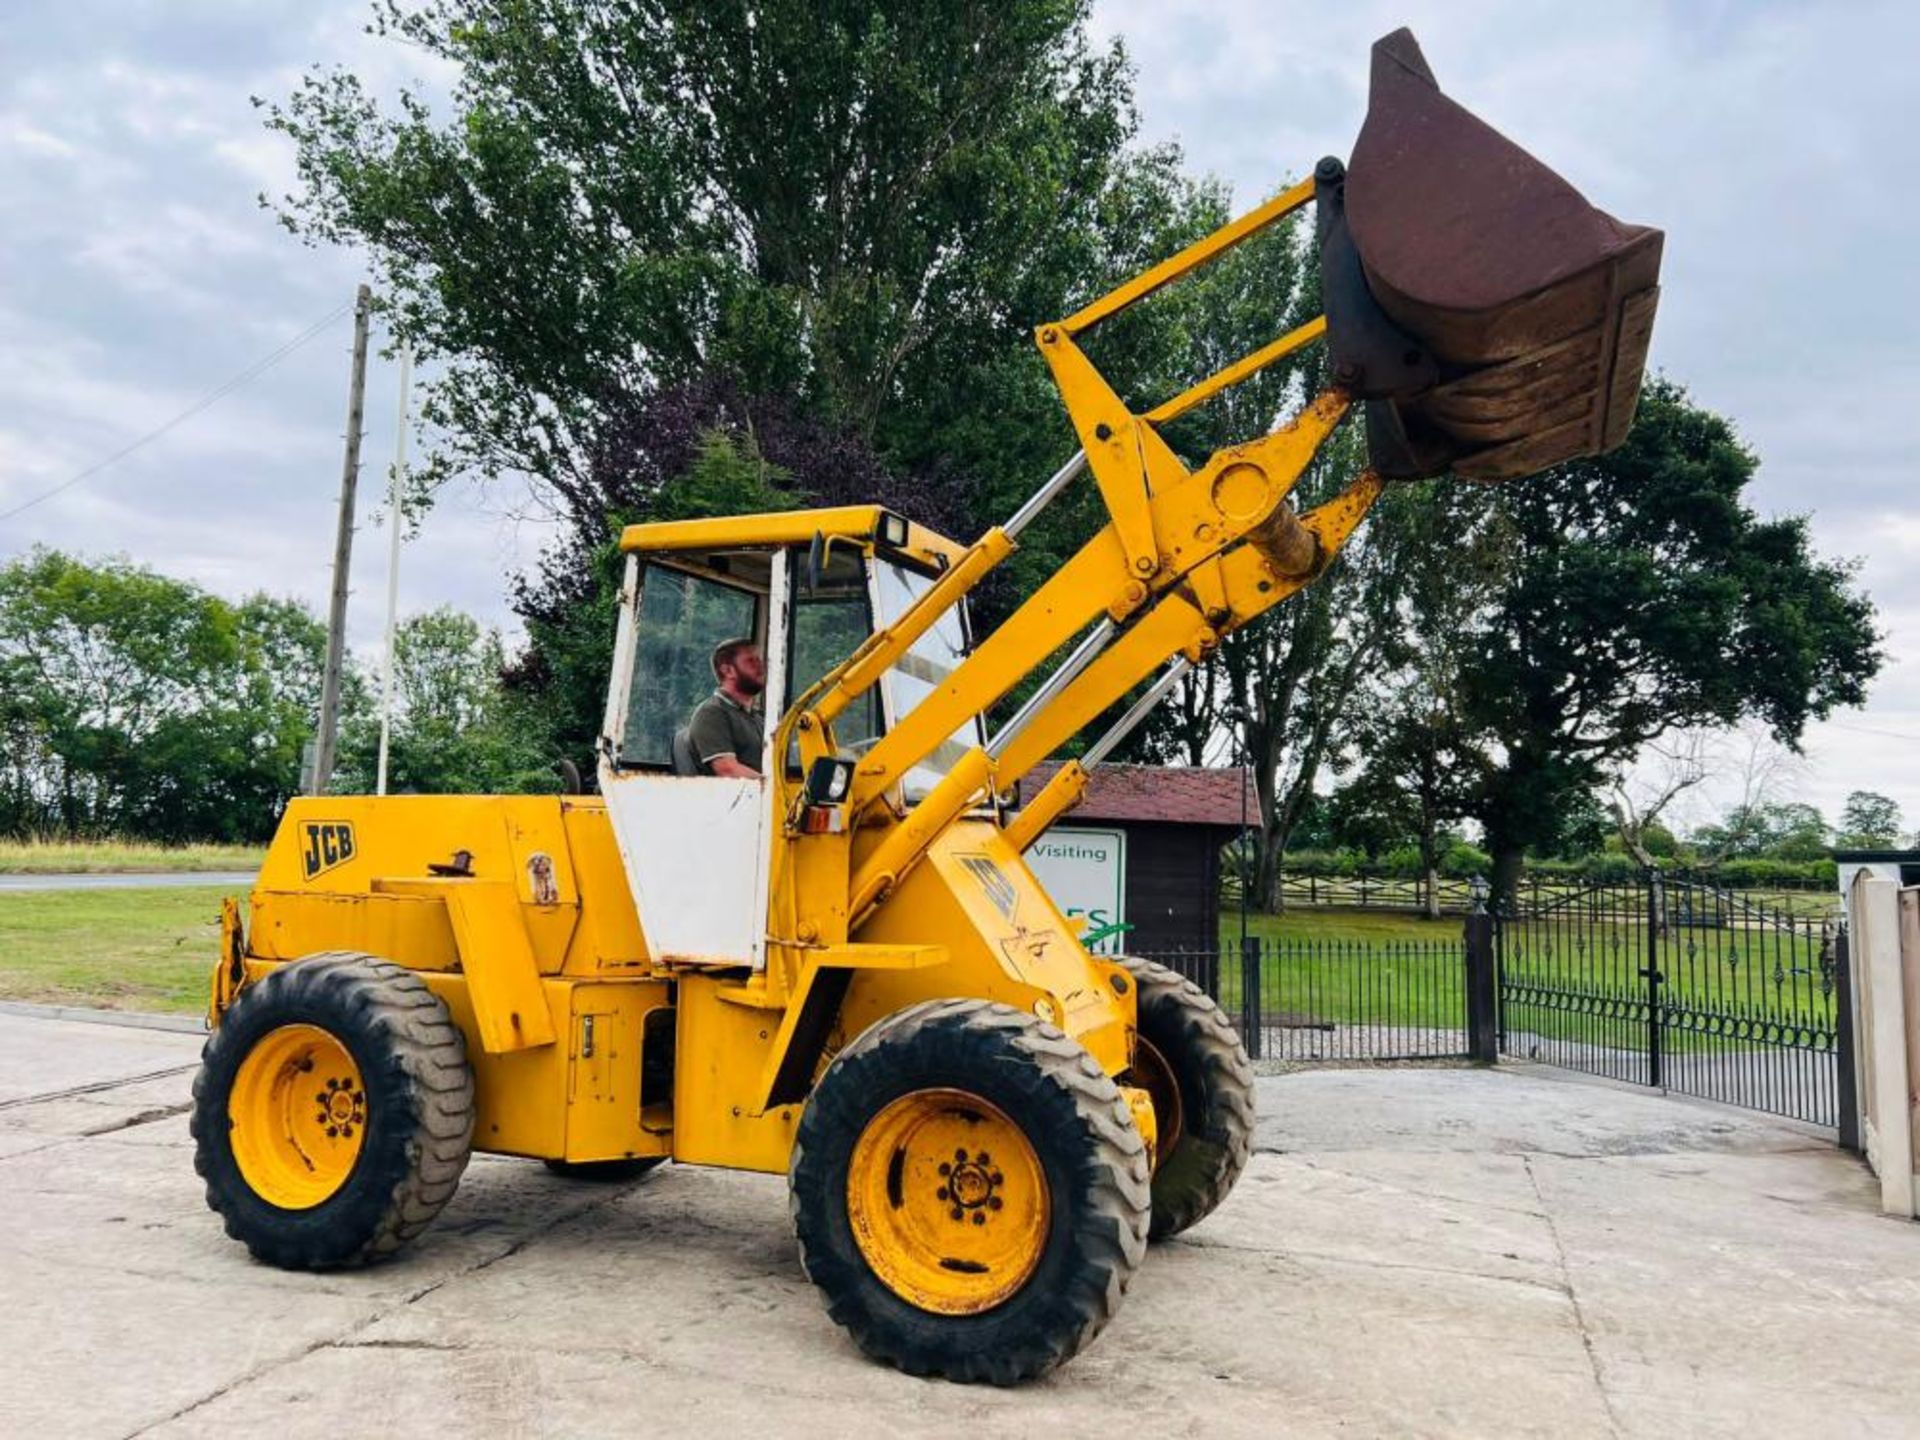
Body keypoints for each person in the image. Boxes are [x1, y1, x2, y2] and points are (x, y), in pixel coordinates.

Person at [688, 637, 766, 778]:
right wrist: (776, 790)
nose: (760, 666)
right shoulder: (711, 713)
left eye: (759, 660)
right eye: (751, 661)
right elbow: (727, 770)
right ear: (728, 671)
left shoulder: (758, 718)